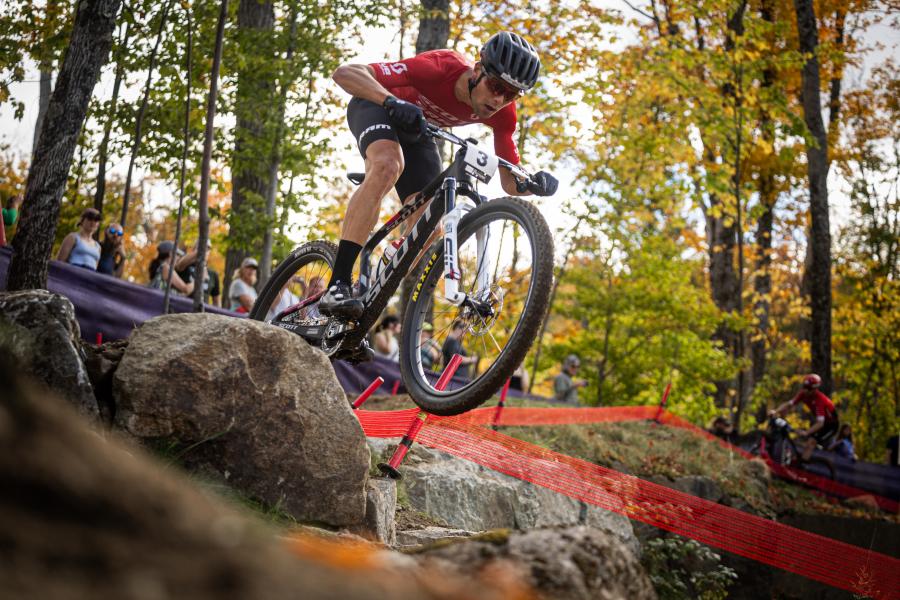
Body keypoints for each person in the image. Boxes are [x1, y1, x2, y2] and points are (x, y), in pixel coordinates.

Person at [318, 31, 558, 320]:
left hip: (418, 131)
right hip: (377, 104)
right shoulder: (440, 67)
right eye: (496, 86)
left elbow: (510, 182)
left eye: (511, 94)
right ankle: (338, 284)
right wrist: (391, 102)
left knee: (430, 226)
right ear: (478, 71)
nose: (499, 99)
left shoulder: (504, 114)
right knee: (388, 166)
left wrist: (534, 185)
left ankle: (367, 297)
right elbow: (345, 73)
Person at [769, 374, 839, 461]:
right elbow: (789, 404)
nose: (805, 390)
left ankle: (803, 467)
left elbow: (820, 423)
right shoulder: (803, 394)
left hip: (830, 425)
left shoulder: (819, 400)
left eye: (808, 389)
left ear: (814, 389)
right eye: (804, 387)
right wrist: (776, 411)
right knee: (803, 439)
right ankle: (799, 459)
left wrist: (807, 432)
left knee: (811, 442)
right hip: (821, 422)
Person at [174, 239, 220, 306]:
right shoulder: (185, 266)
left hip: (202, 313)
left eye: (208, 249)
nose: (204, 251)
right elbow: (179, 265)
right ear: (194, 250)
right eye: (201, 247)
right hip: (182, 308)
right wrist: (198, 251)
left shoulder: (213, 274)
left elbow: (216, 301)